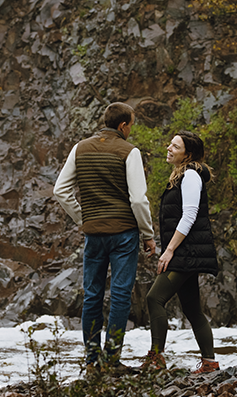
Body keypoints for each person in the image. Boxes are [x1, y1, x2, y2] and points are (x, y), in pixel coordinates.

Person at [53, 102, 155, 375]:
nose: (131, 129)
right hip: (123, 234)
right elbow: (138, 199)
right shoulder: (129, 152)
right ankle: (111, 360)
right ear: (123, 125)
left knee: (92, 295)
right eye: (131, 124)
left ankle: (91, 362)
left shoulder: (80, 148)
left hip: (94, 234)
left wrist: (83, 218)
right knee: (121, 295)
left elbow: (60, 190)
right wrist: (148, 234)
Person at [141, 130, 219, 374]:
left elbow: (189, 215)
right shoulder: (181, 176)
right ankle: (210, 363)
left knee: (155, 298)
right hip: (187, 252)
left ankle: (157, 358)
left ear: (188, 153)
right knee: (192, 309)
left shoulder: (191, 176)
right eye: (170, 144)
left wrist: (169, 251)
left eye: (175, 146)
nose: (169, 148)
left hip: (186, 254)